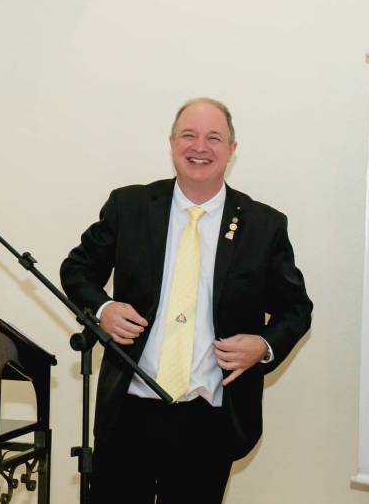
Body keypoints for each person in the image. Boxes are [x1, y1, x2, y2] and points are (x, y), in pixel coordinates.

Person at [60, 97, 313, 503]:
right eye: (188, 135)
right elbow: (76, 269)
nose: (199, 147)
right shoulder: (130, 206)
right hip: (129, 411)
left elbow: (296, 308)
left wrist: (263, 346)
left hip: (209, 419)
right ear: (171, 143)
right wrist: (103, 309)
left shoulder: (263, 225)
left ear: (231, 149)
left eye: (214, 138)